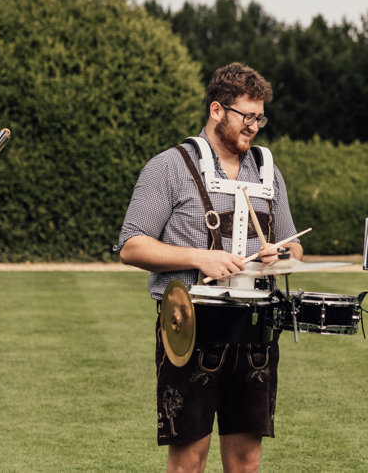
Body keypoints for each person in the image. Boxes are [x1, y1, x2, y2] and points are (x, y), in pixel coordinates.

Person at [117, 62, 303, 473]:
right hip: (190, 328)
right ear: (217, 110)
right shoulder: (168, 166)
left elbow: (295, 248)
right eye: (247, 116)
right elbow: (131, 245)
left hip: (256, 331)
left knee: (246, 462)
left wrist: (281, 256)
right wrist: (199, 257)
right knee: (188, 463)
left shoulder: (269, 172)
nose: (255, 126)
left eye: (260, 117)